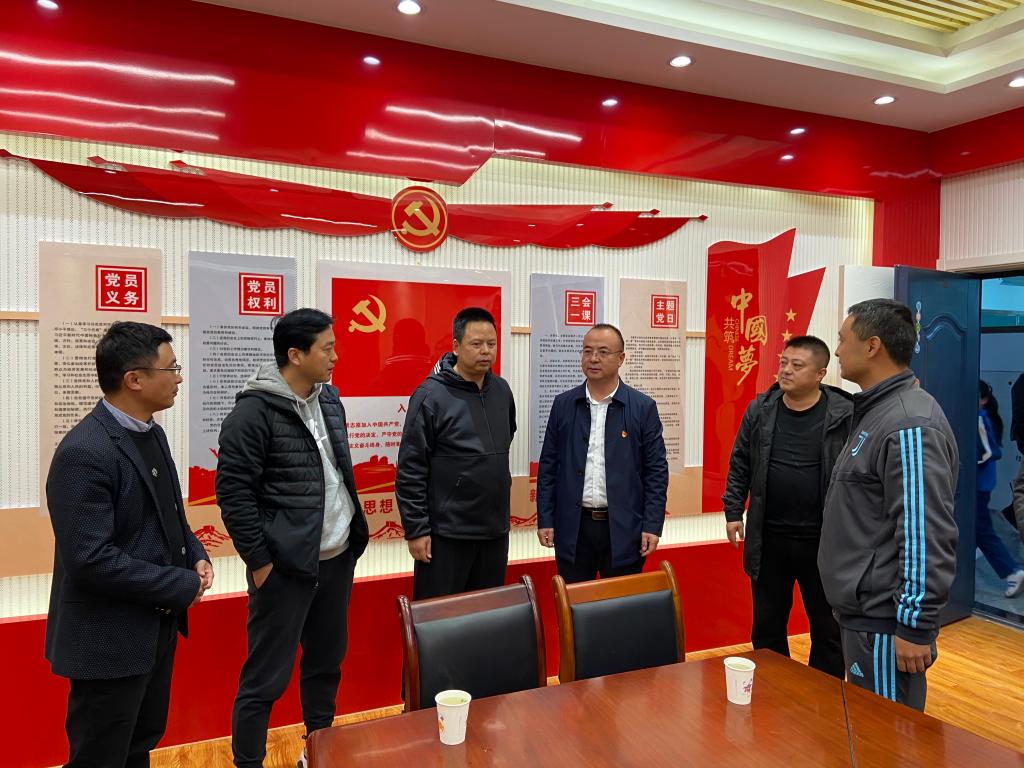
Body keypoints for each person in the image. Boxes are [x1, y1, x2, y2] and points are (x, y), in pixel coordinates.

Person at [45, 321, 212, 768]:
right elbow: (90, 559)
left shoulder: (150, 432)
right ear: (134, 379)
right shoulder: (85, 451)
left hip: (153, 628)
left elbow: (168, 516)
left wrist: (195, 555)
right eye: (171, 368)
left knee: (140, 745)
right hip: (107, 642)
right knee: (101, 756)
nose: (178, 378)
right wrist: (180, 585)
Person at [217, 308, 368, 768]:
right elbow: (234, 494)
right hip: (284, 569)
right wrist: (261, 563)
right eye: (327, 348)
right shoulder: (252, 413)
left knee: (325, 664)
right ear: (295, 354)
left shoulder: (330, 399)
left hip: (336, 558)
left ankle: (318, 752)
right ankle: (248, 762)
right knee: (265, 678)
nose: (335, 357)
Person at [820, 299, 959, 711]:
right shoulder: (876, 412)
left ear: (872, 346)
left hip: (884, 622)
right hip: (864, 616)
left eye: (842, 340)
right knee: (867, 732)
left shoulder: (909, 423)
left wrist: (915, 624)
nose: (837, 350)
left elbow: (924, 530)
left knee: (886, 736)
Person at [722, 336, 850, 678]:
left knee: (828, 629)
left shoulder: (845, 414)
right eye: (783, 363)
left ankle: (823, 694)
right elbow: (740, 462)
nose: (786, 370)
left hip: (824, 543)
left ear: (820, 373)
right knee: (767, 626)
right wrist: (733, 511)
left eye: (797, 365)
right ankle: (773, 690)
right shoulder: (761, 409)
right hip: (769, 540)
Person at [396, 307, 516, 600]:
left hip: (494, 531)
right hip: (446, 534)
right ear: (456, 346)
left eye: (491, 343)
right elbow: (411, 468)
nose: (486, 351)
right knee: (440, 617)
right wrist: (416, 529)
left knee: (487, 614)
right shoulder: (431, 395)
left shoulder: (501, 390)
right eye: (476, 344)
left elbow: (505, 440)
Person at [536, 323, 668, 582]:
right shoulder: (564, 405)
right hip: (573, 527)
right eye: (587, 351)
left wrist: (652, 525)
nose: (593, 358)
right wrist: (546, 519)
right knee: (574, 600)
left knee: (620, 602)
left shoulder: (642, 408)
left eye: (603, 352)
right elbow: (548, 466)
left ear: (621, 358)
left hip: (624, 528)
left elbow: (656, 472)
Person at [976, 380, 1024, 596]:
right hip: (980, 483)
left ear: (984, 399)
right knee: (978, 529)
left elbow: (991, 452)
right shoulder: (982, 417)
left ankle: (1012, 571)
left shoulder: (980, 419)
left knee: (981, 530)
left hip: (978, 483)